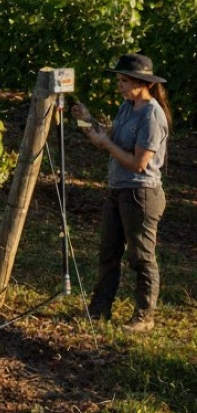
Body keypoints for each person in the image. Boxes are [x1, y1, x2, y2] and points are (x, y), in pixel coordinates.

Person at [71, 54, 171, 333]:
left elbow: (138, 163)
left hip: (141, 194)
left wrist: (106, 143)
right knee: (109, 252)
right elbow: (108, 136)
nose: (120, 86)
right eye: (119, 80)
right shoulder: (127, 107)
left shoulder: (152, 116)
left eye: (125, 81)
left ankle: (144, 316)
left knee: (141, 257)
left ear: (144, 83)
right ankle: (99, 308)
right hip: (118, 191)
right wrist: (85, 121)